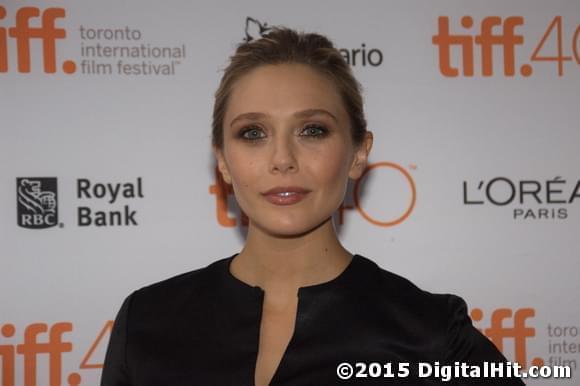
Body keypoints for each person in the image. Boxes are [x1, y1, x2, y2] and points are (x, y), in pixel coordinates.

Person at [101, 27, 525, 386]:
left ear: (359, 152)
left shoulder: (430, 333)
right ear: (224, 162)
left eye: (312, 130)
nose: (282, 158)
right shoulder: (147, 321)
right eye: (252, 133)